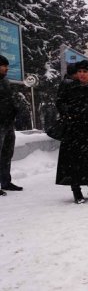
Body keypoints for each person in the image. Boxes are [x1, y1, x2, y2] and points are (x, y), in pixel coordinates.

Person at [55, 60, 88, 204]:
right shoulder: (69, 87)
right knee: (74, 161)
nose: (82, 75)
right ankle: (76, 190)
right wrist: (69, 111)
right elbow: (60, 103)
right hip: (74, 130)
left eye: (85, 72)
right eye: (79, 72)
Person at [0, 55, 23, 196]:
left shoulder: (5, 81)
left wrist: (16, 110)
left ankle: (5, 181)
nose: (7, 68)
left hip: (8, 123)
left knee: (7, 153)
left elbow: (9, 99)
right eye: (4, 65)